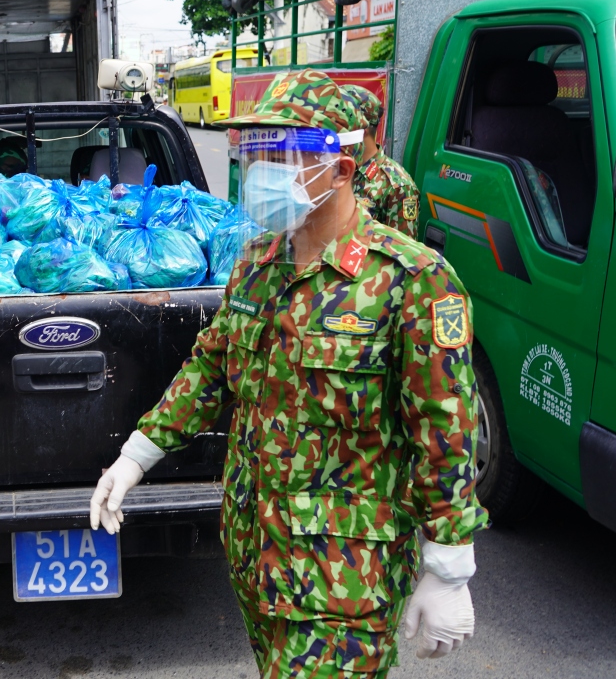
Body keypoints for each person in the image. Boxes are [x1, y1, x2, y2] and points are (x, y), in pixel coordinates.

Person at [90, 69, 487, 678]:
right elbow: (213, 365)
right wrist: (138, 454)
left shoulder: (411, 280)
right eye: (255, 153)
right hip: (256, 552)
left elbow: (446, 428)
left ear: (342, 170)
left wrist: (449, 563)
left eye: (282, 154)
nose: (260, 171)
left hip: (343, 575)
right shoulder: (257, 263)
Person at [340, 85, 421, 239]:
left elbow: (402, 251)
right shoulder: (338, 169)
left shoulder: (397, 186)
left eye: (341, 123)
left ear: (361, 128)